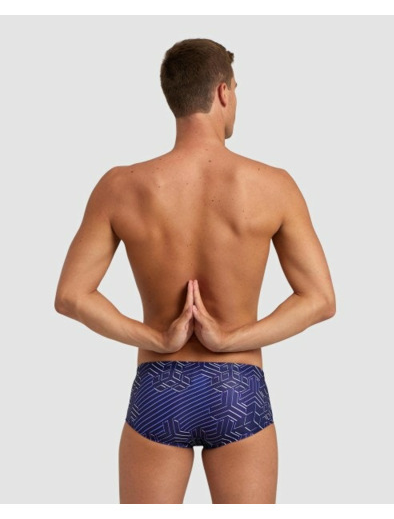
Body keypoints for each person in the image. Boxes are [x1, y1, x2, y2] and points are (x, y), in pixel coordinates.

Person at [54, 38, 336, 504]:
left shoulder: (120, 186)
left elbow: (71, 296)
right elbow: (320, 300)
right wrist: (230, 339)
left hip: (159, 387)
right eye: (236, 89)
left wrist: (156, 337)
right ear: (223, 91)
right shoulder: (274, 185)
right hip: (238, 388)